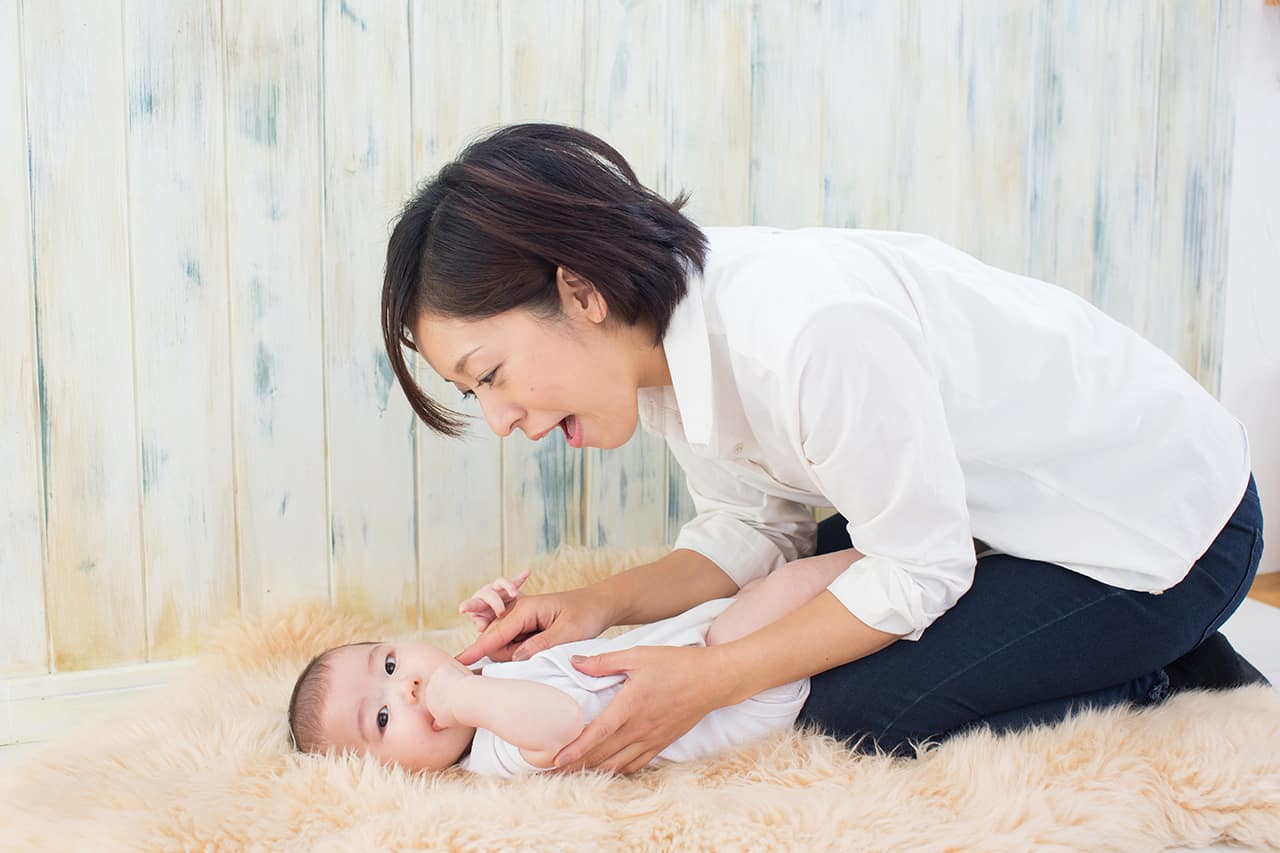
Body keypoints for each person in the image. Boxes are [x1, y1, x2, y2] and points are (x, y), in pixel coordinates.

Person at [379, 123, 1268, 774]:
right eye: (472, 392)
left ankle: (1167, 668)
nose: (497, 419)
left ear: (580, 293)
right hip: (997, 520)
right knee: (803, 603)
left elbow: (922, 568)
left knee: (859, 711)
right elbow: (760, 529)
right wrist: (598, 604)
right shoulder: (665, 360)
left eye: (489, 372)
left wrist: (712, 680)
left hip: (1160, 526)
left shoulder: (805, 330)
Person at [287, 552, 855, 775]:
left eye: (388, 665)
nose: (406, 689)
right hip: (733, 688)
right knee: (793, 584)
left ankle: (900, 560)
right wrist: (462, 696)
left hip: (704, 644)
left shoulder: (486, 689)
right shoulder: (491, 754)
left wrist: (507, 651)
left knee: (767, 583)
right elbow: (557, 722)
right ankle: (910, 557)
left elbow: (544, 674)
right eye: (382, 721)